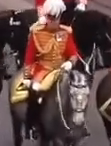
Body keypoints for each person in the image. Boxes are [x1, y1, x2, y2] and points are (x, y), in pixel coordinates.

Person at [22, 0, 79, 135]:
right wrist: (27, 76)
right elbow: (29, 58)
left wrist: (70, 62)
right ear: (46, 17)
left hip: (62, 69)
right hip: (43, 69)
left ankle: (77, 123)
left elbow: (73, 53)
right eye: (50, 18)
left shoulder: (66, 33)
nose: (53, 22)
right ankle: (32, 125)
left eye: (56, 19)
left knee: (79, 91)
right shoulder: (37, 33)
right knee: (35, 90)